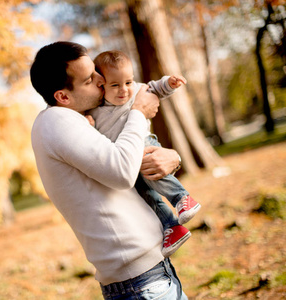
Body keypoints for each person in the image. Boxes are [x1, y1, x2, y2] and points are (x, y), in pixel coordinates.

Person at [30, 41, 188, 299]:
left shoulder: (78, 120)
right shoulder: (56, 122)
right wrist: (139, 113)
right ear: (63, 96)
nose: (102, 80)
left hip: (149, 273)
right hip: (139, 283)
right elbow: (122, 172)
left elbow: (126, 155)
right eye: (90, 79)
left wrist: (172, 157)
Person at [87, 50, 201, 258]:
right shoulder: (95, 108)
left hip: (143, 145)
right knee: (144, 194)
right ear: (101, 84)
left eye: (128, 82)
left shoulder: (137, 90)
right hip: (126, 160)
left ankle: (182, 198)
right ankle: (172, 227)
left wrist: (170, 83)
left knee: (153, 172)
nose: (124, 90)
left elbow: (155, 88)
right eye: (115, 85)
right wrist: (86, 120)